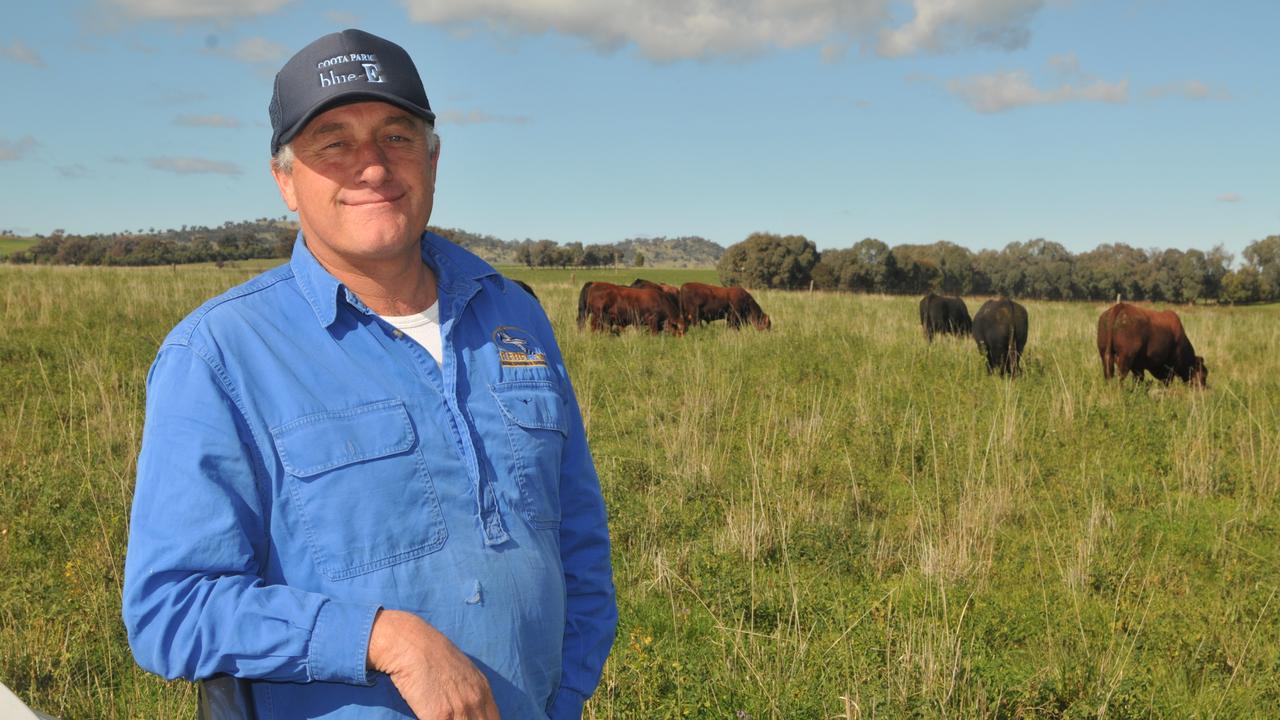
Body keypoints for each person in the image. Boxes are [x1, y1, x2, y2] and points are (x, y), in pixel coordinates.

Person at [122, 28, 617, 719]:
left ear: (434, 160)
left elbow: (579, 541)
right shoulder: (218, 355)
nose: (374, 168)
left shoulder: (514, 317)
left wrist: (564, 696)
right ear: (286, 180)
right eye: (334, 142)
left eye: (397, 136)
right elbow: (171, 610)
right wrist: (383, 639)